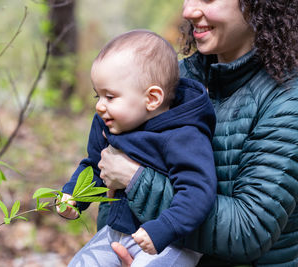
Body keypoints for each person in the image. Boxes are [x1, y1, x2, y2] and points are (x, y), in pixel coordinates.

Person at [97, 0, 298, 266]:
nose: (188, 11)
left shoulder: (286, 100)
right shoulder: (170, 82)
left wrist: (136, 179)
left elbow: (249, 230)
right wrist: (121, 249)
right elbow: (110, 173)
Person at [57, 29, 218, 266]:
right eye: (97, 96)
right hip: (119, 230)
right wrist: (74, 195)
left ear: (152, 98)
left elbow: (197, 190)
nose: (100, 106)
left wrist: (165, 228)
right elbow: (94, 166)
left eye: (110, 97)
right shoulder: (108, 125)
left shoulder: (184, 134)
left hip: (172, 239)